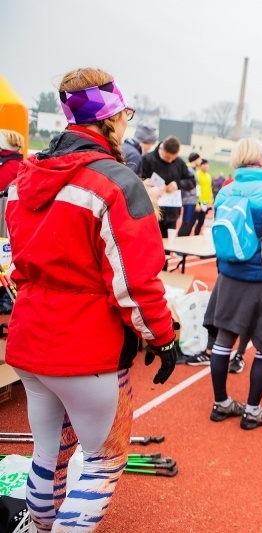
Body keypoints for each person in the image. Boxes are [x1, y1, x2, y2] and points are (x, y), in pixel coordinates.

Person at [4, 67, 177, 532]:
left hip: (29, 340)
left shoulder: (24, 176)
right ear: (111, 118)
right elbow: (135, 283)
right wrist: (162, 338)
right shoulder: (116, 182)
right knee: (102, 461)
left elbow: (19, 263)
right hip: (87, 349)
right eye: (125, 114)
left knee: (47, 454)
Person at [203, 138, 262, 430]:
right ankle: (252, 411)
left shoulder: (225, 190)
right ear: (261, 158)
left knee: (222, 342)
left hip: (228, 276)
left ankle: (221, 403)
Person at [141, 135, 196, 238]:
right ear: (161, 148)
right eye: (167, 157)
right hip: (152, 212)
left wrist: (178, 184)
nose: (170, 160)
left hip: (172, 213)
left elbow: (192, 181)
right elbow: (137, 180)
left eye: (173, 158)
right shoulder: (147, 159)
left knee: (169, 245)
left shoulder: (179, 162)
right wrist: (148, 185)